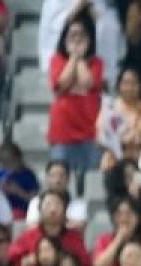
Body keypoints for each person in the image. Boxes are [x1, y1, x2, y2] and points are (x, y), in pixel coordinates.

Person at [48, 13, 105, 183]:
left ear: (90, 38)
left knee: (91, 179)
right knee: (61, 179)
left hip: (89, 129)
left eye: (81, 35)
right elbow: (63, 84)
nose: (77, 40)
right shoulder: (57, 60)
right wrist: (73, 57)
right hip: (62, 130)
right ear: (64, 38)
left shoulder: (97, 63)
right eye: (72, 35)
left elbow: (87, 83)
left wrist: (79, 58)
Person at [0, 143, 40, 221]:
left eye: (11, 161)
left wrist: (18, 191)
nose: (8, 166)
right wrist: (0, 189)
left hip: (22, 212)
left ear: (19, 159)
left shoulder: (28, 175)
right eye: (4, 163)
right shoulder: (1, 173)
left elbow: (35, 200)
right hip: (3, 212)